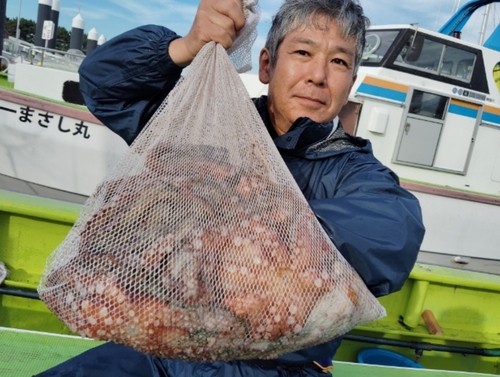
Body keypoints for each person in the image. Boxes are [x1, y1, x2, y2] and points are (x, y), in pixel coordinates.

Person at [37, 0, 425, 376]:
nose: (319, 75)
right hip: (158, 351)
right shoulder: (207, 125)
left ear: (351, 82)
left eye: (339, 61)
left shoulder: (356, 174)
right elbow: (105, 86)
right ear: (267, 65)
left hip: (278, 369)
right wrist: (185, 47)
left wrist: (240, 233)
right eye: (303, 52)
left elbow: (391, 230)